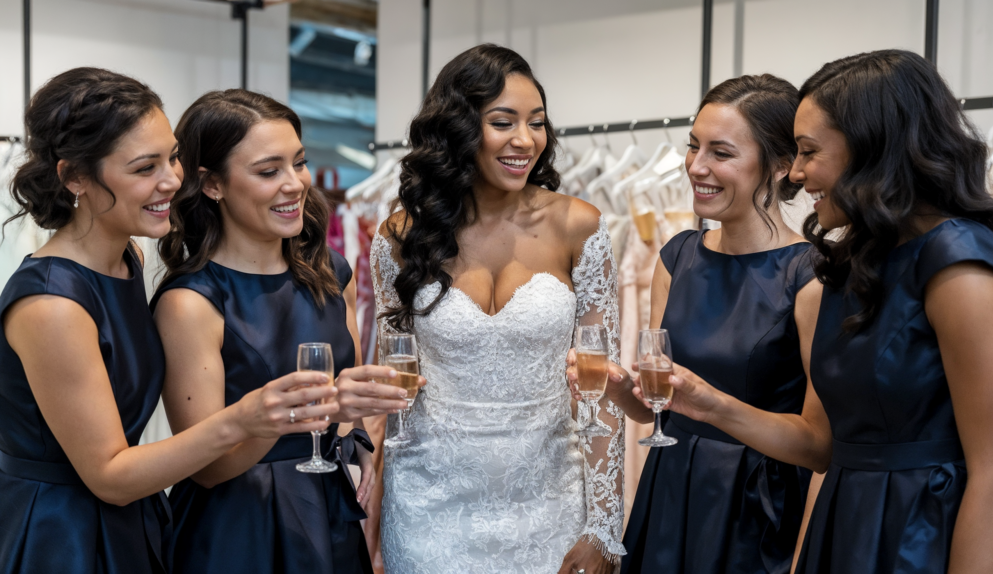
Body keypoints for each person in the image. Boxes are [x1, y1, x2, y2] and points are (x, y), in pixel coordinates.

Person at [664, 49, 993, 573]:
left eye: (810, 152)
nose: (799, 172)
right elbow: (827, 443)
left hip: (929, 534)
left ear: (870, 152)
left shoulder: (957, 259)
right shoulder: (856, 260)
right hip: (847, 524)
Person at [0, 68, 339, 574]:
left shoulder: (127, 259)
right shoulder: (53, 305)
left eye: (173, 157)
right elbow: (110, 474)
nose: (172, 180)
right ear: (75, 178)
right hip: (62, 534)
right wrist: (242, 418)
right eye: (144, 168)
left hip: (131, 517)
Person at [371, 44, 624, 574]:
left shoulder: (578, 226)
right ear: (459, 129)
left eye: (537, 123)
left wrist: (603, 526)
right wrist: (370, 520)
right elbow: (389, 389)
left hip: (551, 502)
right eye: (503, 122)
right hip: (427, 508)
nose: (526, 140)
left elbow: (602, 394)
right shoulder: (401, 238)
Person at [569, 74, 824, 574]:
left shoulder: (810, 276)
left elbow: (819, 445)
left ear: (778, 167)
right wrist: (619, 387)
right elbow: (655, 412)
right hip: (670, 488)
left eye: (721, 153)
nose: (696, 167)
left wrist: (715, 406)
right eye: (692, 147)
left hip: (755, 510)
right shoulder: (677, 256)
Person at [151, 89, 413, 574]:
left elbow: (344, 405)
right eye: (269, 171)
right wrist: (296, 413)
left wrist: (358, 435)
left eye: (299, 162)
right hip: (237, 527)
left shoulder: (333, 275)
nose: (295, 184)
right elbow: (207, 469)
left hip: (328, 512)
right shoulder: (190, 302)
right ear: (212, 185)